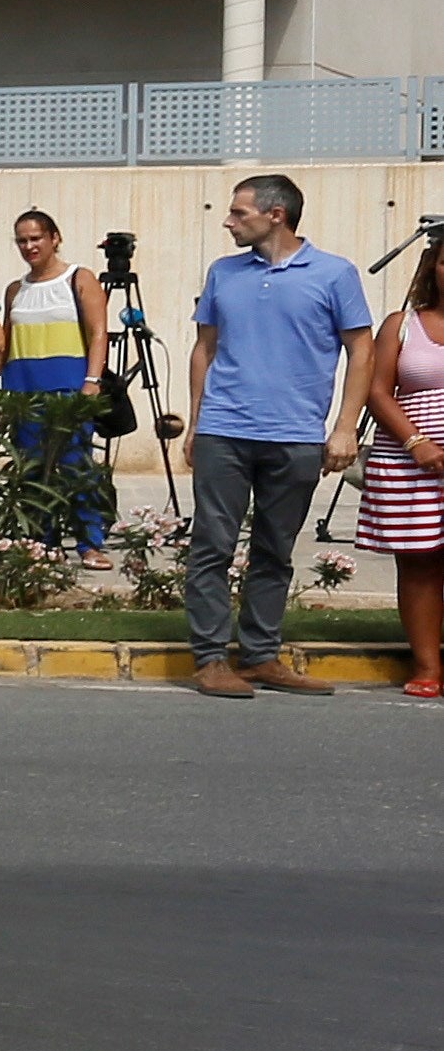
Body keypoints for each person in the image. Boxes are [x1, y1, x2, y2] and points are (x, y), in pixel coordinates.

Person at [180, 172, 369, 701]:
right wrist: (196, 422)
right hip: (225, 430)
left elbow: (361, 350)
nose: (228, 221)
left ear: (276, 214)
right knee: (212, 546)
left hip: (297, 436)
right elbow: (204, 348)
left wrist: (345, 426)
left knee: (274, 549)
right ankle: (211, 658)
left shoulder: (334, 274)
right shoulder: (224, 273)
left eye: (239, 213)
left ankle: (260, 655)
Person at [349, 231, 444, 699]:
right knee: (420, 564)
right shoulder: (401, 325)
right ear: (433, 269)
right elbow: (377, 390)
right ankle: (427, 666)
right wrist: (417, 443)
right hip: (412, 461)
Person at [0, 211, 113, 548]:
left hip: (67, 385)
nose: (29, 246)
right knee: (31, 468)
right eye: (22, 240)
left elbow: (98, 332)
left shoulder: (79, 278)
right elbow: (5, 344)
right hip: (22, 388)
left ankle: (89, 542)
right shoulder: (15, 289)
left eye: (36, 238)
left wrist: (92, 380)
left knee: (76, 466)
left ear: (54, 238)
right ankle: (41, 542)